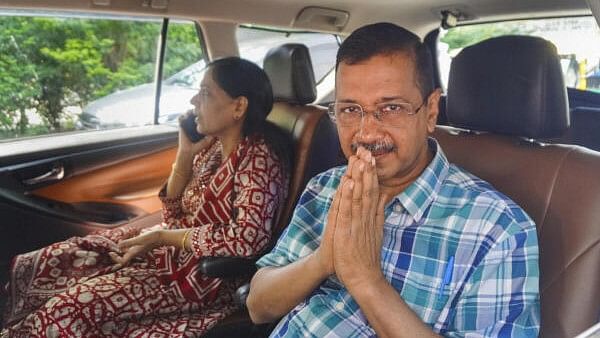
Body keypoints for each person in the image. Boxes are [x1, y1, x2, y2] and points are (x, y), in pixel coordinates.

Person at [247, 23, 540, 337]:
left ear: (430, 112)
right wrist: (322, 260)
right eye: (349, 109)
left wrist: (365, 279)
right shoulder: (326, 187)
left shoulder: (499, 229)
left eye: (391, 108)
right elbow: (257, 306)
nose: (367, 132)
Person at [1, 57, 290, 337]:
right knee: (54, 258)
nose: (193, 102)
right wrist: (185, 154)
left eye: (204, 93)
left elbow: (247, 239)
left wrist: (162, 238)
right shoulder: (213, 149)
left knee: (67, 308)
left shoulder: (259, 158)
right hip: (169, 255)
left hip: (205, 278)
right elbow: (173, 214)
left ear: (238, 106)